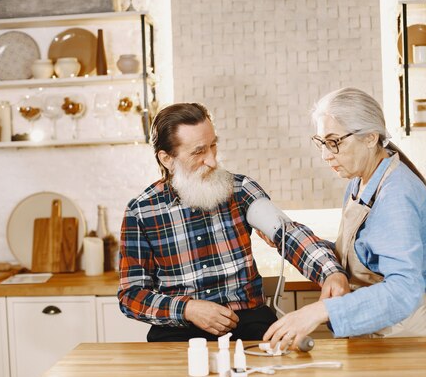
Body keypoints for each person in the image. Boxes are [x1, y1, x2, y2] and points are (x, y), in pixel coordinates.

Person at [118, 102, 349, 342]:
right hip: (178, 329)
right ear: (167, 158)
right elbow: (131, 295)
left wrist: (330, 272)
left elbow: (288, 234)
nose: (212, 161)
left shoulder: (241, 189)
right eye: (199, 152)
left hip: (248, 322)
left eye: (213, 146)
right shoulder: (141, 212)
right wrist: (187, 309)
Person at [264, 87, 426, 348]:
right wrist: (287, 237)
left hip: (408, 337)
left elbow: (403, 289)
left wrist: (319, 311)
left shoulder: (396, 193)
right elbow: (362, 254)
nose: (326, 155)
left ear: (370, 138)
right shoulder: (359, 183)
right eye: (322, 143)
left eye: (334, 142)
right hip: (377, 331)